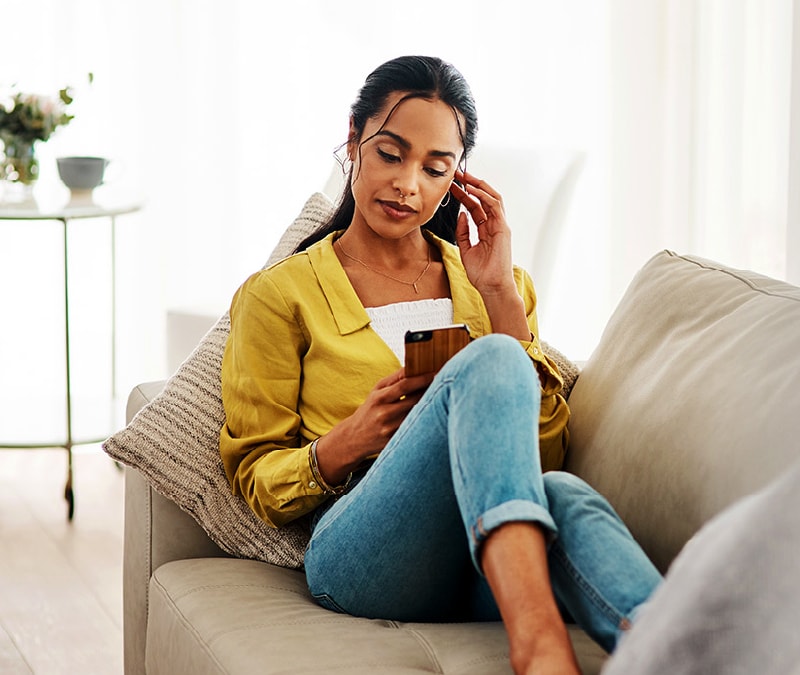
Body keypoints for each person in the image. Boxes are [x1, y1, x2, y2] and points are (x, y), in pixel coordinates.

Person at [219, 55, 661, 675]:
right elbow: (255, 481)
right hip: (364, 557)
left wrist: (501, 296)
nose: (408, 185)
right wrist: (345, 443)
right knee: (491, 363)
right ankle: (538, 646)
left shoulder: (497, 287)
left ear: (456, 180)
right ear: (354, 140)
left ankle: (696, 654)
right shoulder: (278, 295)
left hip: (480, 563)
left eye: (435, 168)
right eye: (391, 154)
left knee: (562, 491)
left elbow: (543, 459)